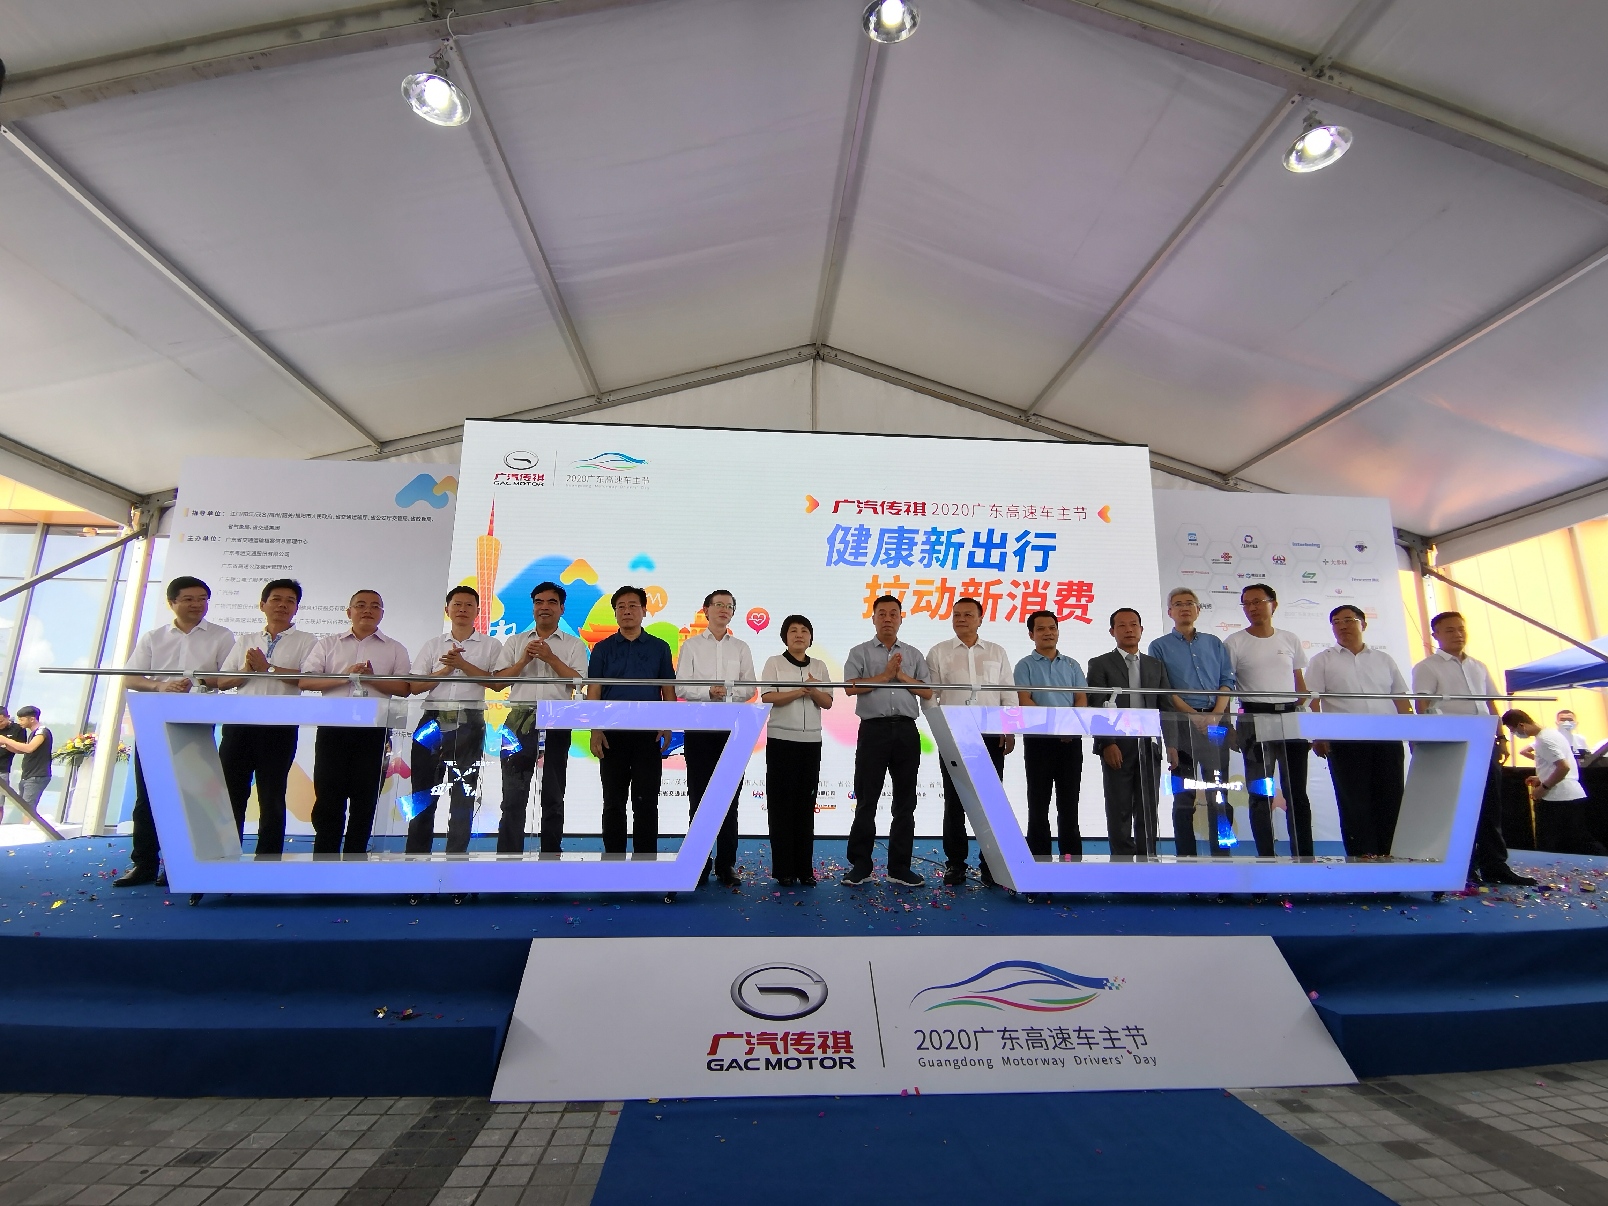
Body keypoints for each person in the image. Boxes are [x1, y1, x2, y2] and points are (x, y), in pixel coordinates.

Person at [114, 576, 238, 888]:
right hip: (155, 721)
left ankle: (180, 863)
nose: (197, 605)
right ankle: (143, 863)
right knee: (148, 794)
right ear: (172, 603)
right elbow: (131, 677)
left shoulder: (221, 636)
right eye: (189, 599)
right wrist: (161, 686)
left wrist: (198, 682)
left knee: (192, 795)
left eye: (203, 599)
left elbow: (229, 678)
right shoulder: (154, 637)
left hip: (196, 723)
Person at [1412, 612, 1535, 887]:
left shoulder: (1478, 666)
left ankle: (1495, 865)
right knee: (1458, 807)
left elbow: (1490, 703)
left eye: (1461, 629)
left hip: (1484, 741)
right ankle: (1463, 866)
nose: (1457, 634)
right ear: (1435, 635)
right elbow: (1423, 705)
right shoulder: (1427, 667)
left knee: (1490, 805)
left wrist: (1500, 737)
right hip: (1452, 744)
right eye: (1449, 630)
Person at [298, 590, 413, 855]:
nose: (367, 610)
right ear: (349, 612)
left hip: (374, 733)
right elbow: (306, 681)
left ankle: (355, 859)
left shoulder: (394, 648)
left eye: (374, 606)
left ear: (382, 613)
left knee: (365, 800)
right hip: (333, 730)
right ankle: (324, 859)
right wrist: (346, 676)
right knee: (328, 798)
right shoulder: (328, 644)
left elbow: (404, 688)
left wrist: (371, 678)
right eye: (360, 605)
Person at [212, 579, 318, 856]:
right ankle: (225, 857)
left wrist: (268, 668)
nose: (283, 605)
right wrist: (249, 669)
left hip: (279, 728)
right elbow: (223, 682)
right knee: (231, 795)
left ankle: (268, 860)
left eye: (290, 601)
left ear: (296, 608)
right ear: (262, 605)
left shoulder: (307, 641)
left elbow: (308, 679)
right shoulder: (246, 640)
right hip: (240, 726)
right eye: (276, 599)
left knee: (272, 797)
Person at [1305, 605, 1413, 857]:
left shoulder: (1384, 659)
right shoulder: (1322, 660)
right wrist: (1318, 735)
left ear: (1363, 624)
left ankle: (1390, 855)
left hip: (1386, 738)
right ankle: (1362, 856)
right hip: (1346, 741)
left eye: (1348, 620)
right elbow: (1312, 701)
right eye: (1336, 622)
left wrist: (1413, 732)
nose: (1342, 626)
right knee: (1354, 801)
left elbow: (1400, 698)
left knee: (1391, 797)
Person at [841, 594, 932, 887]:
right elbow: (850, 687)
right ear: (873, 619)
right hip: (873, 730)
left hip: (906, 731)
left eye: (894, 614)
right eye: (882, 614)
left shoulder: (913, 654)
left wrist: (901, 676)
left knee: (905, 802)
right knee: (866, 799)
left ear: (901, 619)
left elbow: (927, 691)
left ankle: (899, 867)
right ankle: (861, 865)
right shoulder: (859, 652)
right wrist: (884, 676)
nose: (888, 619)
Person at [928, 597, 1017, 886]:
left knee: (991, 801)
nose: (961, 619)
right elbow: (930, 696)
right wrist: (939, 727)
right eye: (956, 615)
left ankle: (991, 864)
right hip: (954, 734)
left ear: (980, 619)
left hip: (991, 734)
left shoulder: (996, 651)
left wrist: (1008, 728)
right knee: (955, 801)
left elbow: (1008, 692)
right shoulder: (939, 652)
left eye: (968, 614)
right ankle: (955, 863)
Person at [405, 586, 500, 854]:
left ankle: (456, 860)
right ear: (447, 609)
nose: (462, 609)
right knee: (423, 793)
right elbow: (414, 686)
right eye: (457, 604)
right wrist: (446, 669)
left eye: (469, 605)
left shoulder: (491, 645)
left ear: (478, 611)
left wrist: (463, 665)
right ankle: (415, 860)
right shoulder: (433, 645)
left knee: (462, 795)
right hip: (432, 721)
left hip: (470, 722)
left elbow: (497, 683)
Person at [494, 581, 587, 854]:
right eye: (539, 602)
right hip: (518, 722)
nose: (544, 607)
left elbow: (579, 682)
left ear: (562, 608)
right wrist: (524, 661)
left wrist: (550, 658)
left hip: (557, 722)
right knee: (513, 797)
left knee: (553, 796)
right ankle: (508, 859)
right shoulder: (515, 642)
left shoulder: (573, 644)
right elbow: (498, 682)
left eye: (551, 602)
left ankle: (550, 857)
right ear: (533, 607)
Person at [1224, 584, 1313, 858]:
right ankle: (1266, 856)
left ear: (1273, 604)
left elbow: (1300, 685)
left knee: (1296, 791)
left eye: (1258, 601)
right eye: (1247, 603)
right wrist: (1228, 725)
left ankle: (1304, 856)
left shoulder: (1289, 639)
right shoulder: (1234, 642)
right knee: (1260, 792)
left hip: (1289, 717)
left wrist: (1305, 719)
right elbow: (1225, 685)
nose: (1252, 608)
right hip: (1253, 718)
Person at [676, 589, 758, 888]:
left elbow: (750, 687)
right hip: (699, 728)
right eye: (719, 604)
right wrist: (708, 692)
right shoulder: (691, 646)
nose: (724, 609)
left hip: (733, 729)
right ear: (706, 610)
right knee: (698, 797)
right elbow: (682, 687)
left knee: (729, 798)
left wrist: (729, 693)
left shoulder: (741, 647)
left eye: (729, 606)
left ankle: (726, 864)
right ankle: (698, 862)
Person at [587, 586, 676, 856]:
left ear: (644, 611)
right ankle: (613, 859)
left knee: (646, 801)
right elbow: (594, 691)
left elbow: (668, 690)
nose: (627, 611)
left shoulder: (660, 648)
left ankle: (645, 861)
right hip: (611, 733)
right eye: (621, 607)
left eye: (633, 606)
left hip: (648, 734)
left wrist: (667, 724)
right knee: (613, 801)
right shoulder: (602, 649)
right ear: (615, 613)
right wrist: (595, 729)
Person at [1149, 587, 1236, 856]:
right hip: (1181, 724)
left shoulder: (1214, 643)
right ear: (1169, 612)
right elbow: (1165, 689)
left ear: (1198, 609)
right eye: (1178, 604)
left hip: (1216, 723)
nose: (1184, 608)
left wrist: (1215, 715)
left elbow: (1227, 681)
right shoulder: (1159, 646)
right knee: (1184, 796)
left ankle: (1222, 857)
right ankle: (1186, 858)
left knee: (1219, 793)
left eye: (1190, 603)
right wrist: (1194, 716)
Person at [1084, 609, 1170, 858]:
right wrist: (1107, 743)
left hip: (1149, 742)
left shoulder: (1155, 665)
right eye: (1122, 626)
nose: (1129, 629)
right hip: (1118, 743)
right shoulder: (1100, 663)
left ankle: (1147, 857)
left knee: (1148, 806)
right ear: (1112, 631)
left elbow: (1165, 706)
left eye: (1133, 624)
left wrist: (1172, 745)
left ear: (1141, 630)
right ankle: (1121, 860)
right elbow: (1097, 706)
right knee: (1119, 806)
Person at [760, 615, 832, 886]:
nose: (799, 635)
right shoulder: (774, 663)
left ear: (811, 637)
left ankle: (804, 869)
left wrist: (812, 690)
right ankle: (784, 870)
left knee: (805, 806)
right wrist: (799, 691)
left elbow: (827, 702)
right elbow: (768, 697)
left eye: (804, 631)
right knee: (781, 806)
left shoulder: (819, 666)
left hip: (811, 742)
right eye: (793, 630)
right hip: (781, 740)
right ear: (785, 637)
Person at [1013, 609, 1089, 863]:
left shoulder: (1072, 664)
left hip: (1070, 741)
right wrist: (1055, 727)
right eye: (1041, 629)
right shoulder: (1024, 665)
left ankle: (1071, 861)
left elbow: (1081, 699)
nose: (1048, 633)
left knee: (1069, 804)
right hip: (1039, 741)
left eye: (1052, 628)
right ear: (1031, 634)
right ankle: (1039, 860)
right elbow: (1025, 700)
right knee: (1038, 804)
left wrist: (1069, 728)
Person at [1503, 710, 1606, 856]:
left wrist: (1544, 787)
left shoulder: (1544, 740)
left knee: (1554, 841)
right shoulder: (1551, 734)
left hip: (1558, 797)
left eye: (1513, 730)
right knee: (1578, 838)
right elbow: (1558, 765)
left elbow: (1563, 767)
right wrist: (1542, 777)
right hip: (1569, 794)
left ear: (1521, 725)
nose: (1514, 734)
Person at [0, 707, 52, 821]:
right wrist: (6, 745)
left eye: (22, 719)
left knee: (28, 809)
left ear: (32, 719)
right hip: (28, 775)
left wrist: (6, 740)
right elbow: (21, 749)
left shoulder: (41, 732)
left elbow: (29, 748)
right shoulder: (33, 733)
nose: (19, 723)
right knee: (23, 808)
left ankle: (27, 829)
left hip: (36, 775)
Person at [0, 705, 23, 800]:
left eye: (1, 721)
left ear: (8, 717)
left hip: (2, 769)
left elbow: (22, 748)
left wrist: (6, 743)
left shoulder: (17, 729)